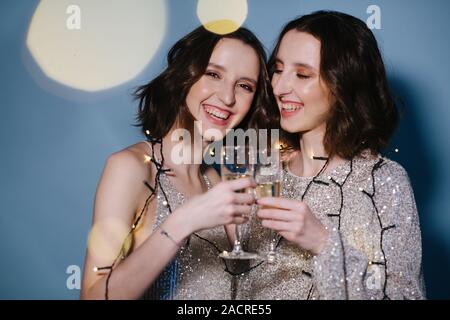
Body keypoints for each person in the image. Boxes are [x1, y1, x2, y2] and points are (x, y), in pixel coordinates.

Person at [237, 11, 426, 300]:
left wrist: (323, 242)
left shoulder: (384, 180)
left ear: (343, 85)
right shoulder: (263, 170)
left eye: (302, 74)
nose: (279, 87)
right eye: (277, 69)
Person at [80, 26, 275, 300]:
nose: (228, 97)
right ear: (185, 76)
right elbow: (93, 297)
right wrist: (182, 222)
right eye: (214, 74)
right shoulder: (133, 168)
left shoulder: (215, 181)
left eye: (244, 86)